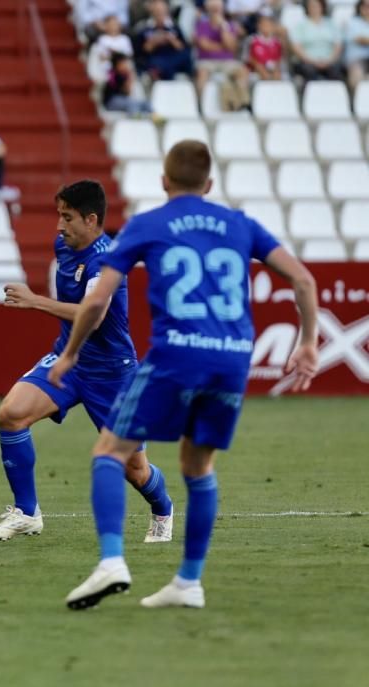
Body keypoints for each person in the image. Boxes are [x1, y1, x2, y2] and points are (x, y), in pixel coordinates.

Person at [50, 141, 319, 610]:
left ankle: (112, 561)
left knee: (109, 451)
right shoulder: (240, 224)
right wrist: (309, 342)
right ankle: (188, 581)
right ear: (210, 185)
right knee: (198, 467)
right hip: (233, 358)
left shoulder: (149, 225)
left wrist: (70, 353)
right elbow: (304, 281)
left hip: (176, 355)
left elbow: (96, 301)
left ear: (163, 182)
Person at [0, 180, 174, 543]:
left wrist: (35, 301)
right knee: (11, 413)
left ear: (90, 219)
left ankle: (163, 507)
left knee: (134, 469)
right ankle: (26, 512)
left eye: (67, 217)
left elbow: (94, 315)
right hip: (69, 362)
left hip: (113, 374)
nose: (58, 226)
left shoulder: (110, 259)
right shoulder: (63, 247)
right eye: (58, 215)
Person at [193, 0, 249, 111]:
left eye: (217, 8)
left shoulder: (229, 26)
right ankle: (200, 105)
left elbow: (232, 47)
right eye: (213, 9)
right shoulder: (201, 24)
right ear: (207, 9)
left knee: (242, 72)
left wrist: (223, 27)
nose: (215, 11)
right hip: (207, 61)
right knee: (202, 73)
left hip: (227, 62)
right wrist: (223, 47)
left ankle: (243, 103)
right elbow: (204, 46)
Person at [133, 0, 193, 81]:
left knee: (183, 57)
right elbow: (142, 51)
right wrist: (154, 42)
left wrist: (171, 40)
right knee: (153, 62)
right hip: (154, 58)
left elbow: (182, 48)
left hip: (172, 58)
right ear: (152, 12)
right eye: (157, 12)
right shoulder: (145, 29)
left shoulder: (174, 27)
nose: (160, 14)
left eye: (161, 12)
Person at [290, 0, 344, 83]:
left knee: (336, 71)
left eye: (316, 5)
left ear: (322, 7)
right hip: (307, 61)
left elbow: (338, 46)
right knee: (309, 71)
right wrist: (312, 61)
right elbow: (297, 47)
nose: (314, 8)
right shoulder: (300, 25)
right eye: (311, 6)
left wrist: (329, 61)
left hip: (329, 61)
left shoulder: (332, 24)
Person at [87, 14, 134, 84]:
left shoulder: (125, 39)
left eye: (115, 24)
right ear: (105, 26)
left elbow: (129, 55)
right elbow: (102, 56)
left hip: (123, 69)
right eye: (111, 24)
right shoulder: (102, 39)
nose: (114, 27)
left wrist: (114, 54)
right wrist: (115, 55)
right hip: (106, 70)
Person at [246, 11, 285, 81]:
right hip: (256, 69)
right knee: (263, 73)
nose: (266, 27)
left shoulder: (277, 42)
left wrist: (275, 69)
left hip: (273, 68)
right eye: (263, 24)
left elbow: (279, 59)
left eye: (268, 25)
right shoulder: (252, 40)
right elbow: (250, 58)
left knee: (278, 75)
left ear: (273, 26)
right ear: (259, 26)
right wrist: (260, 68)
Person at [347, 0, 369, 90]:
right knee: (357, 75)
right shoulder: (352, 22)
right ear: (359, 8)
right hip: (357, 59)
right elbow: (359, 39)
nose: (367, 9)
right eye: (365, 6)